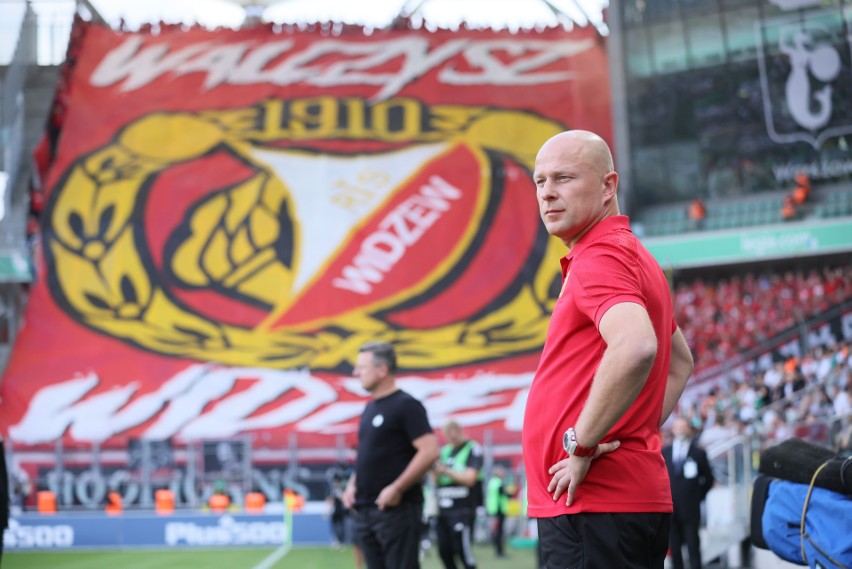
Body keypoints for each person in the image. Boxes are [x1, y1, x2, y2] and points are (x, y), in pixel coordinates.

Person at [522, 130, 695, 568]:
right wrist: (627, 430)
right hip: (620, 504)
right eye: (539, 181)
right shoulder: (634, 255)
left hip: (593, 505)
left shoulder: (599, 257)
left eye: (563, 178)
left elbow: (636, 346)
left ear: (608, 186)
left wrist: (583, 445)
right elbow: (679, 363)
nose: (547, 194)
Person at [342, 341, 440, 569]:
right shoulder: (370, 408)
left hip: (397, 511)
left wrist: (397, 488)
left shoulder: (406, 405)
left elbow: (429, 451)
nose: (356, 373)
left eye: (362, 367)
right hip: (367, 510)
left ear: (382, 370)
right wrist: (352, 485)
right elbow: (367, 456)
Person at [663, 417, 714, 569]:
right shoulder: (664, 452)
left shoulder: (698, 453)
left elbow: (709, 479)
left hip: (691, 507)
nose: (680, 429)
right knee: (675, 545)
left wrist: (698, 496)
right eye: (677, 426)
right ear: (673, 429)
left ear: (689, 430)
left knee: (693, 545)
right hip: (671, 508)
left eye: (683, 427)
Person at [433, 420, 483, 569]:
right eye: (448, 435)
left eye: (454, 433)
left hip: (463, 510)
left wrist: (446, 471)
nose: (452, 438)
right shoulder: (445, 451)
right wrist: (432, 469)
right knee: (444, 551)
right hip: (443, 510)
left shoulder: (473, 449)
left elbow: (470, 479)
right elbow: (436, 480)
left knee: (463, 552)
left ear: (460, 431)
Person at [485, 464, 512, 559]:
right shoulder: (498, 482)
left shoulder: (492, 482)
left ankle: (499, 550)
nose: (503, 473)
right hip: (498, 510)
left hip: (494, 510)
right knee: (499, 532)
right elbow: (506, 494)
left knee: (497, 531)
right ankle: (499, 551)